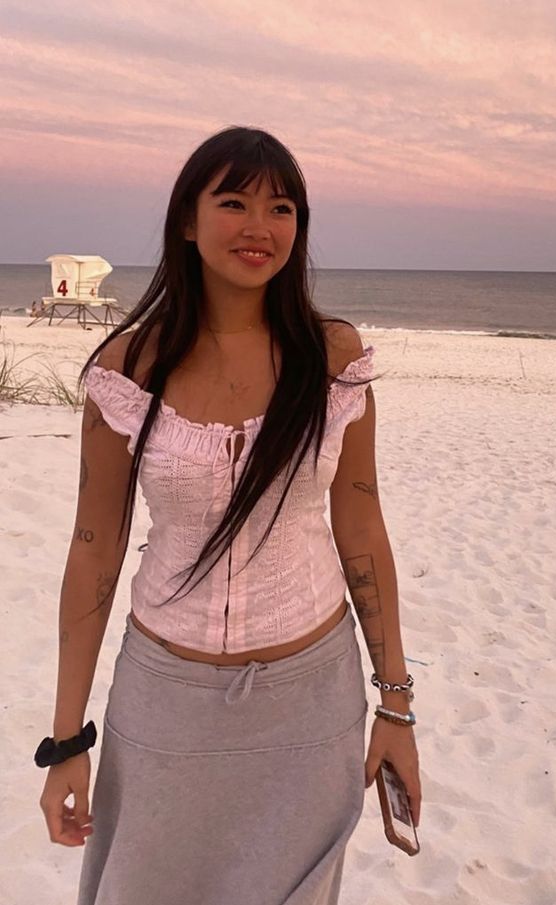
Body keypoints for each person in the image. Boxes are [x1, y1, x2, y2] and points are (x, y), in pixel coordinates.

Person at [36, 126, 421, 904]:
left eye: (282, 208)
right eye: (234, 201)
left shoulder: (333, 359)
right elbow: (93, 553)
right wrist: (67, 738)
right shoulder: (125, 371)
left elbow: (361, 531)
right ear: (187, 218)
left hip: (310, 702)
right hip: (163, 700)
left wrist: (397, 706)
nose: (260, 226)